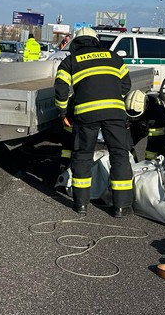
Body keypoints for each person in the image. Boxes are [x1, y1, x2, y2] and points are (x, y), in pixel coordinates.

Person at [54, 27, 133, 217]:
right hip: (115, 113)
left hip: (85, 115)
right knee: (119, 155)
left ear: (76, 44)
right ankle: (121, 207)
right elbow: (126, 84)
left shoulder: (70, 61)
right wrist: (112, 101)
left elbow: (61, 88)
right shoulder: (113, 57)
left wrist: (63, 111)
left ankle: (81, 205)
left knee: (83, 156)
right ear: (95, 41)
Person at [125, 89, 165, 161]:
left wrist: (150, 162)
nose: (133, 119)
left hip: (161, 124)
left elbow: (156, 141)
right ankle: (132, 164)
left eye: (136, 116)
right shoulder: (126, 103)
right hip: (142, 121)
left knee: (157, 150)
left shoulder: (156, 110)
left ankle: (157, 166)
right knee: (126, 144)